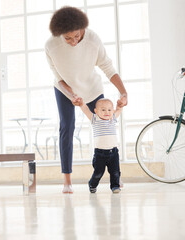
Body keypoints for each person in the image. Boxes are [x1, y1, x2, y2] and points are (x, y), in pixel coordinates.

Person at [45, 6, 128, 194]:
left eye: (77, 36)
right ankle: (67, 180)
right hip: (65, 90)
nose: (74, 42)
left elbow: (107, 67)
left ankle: (115, 176)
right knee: (67, 127)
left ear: (83, 29)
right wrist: (72, 93)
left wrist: (123, 92)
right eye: (68, 38)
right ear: (59, 35)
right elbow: (58, 76)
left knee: (107, 125)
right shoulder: (51, 46)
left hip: (92, 88)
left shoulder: (92, 40)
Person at [77, 98, 123, 193]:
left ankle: (115, 186)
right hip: (100, 154)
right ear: (96, 111)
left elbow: (118, 110)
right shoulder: (95, 119)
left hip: (113, 152)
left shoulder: (112, 118)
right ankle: (92, 184)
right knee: (98, 173)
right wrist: (81, 104)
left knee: (115, 172)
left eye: (109, 110)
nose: (107, 112)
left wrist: (119, 106)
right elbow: (86, 110)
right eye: (103, 110)